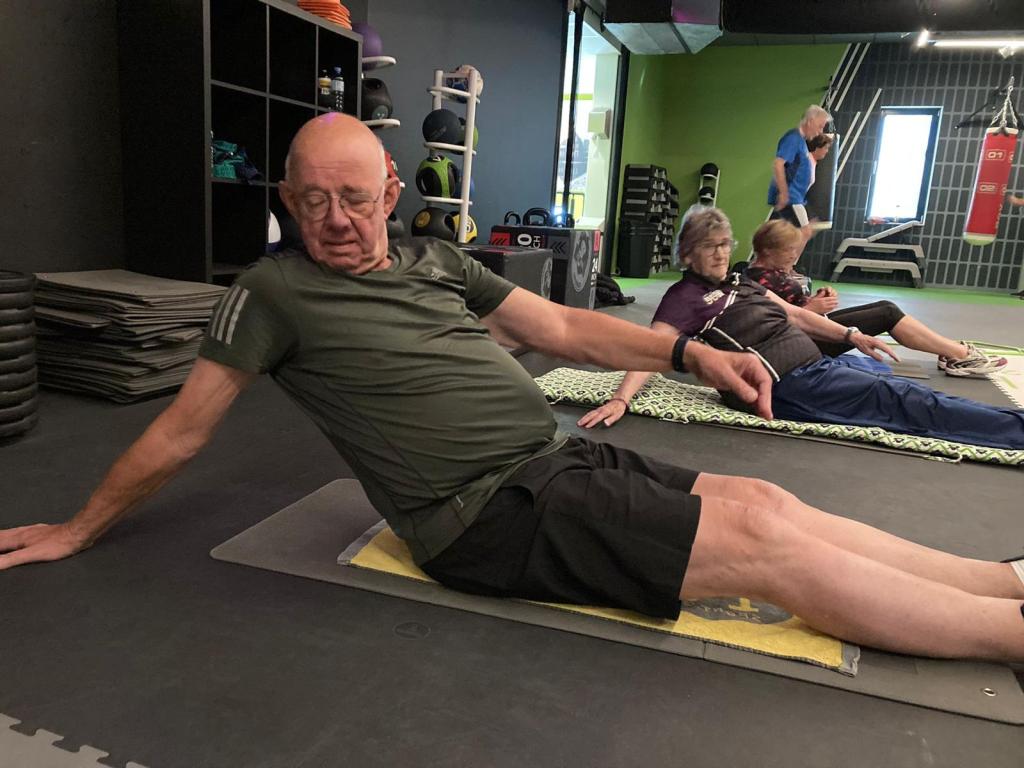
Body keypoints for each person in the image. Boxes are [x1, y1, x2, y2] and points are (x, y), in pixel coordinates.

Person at [3, 115, 1024, 663]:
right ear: (285, 200)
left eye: (353, 197)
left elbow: (563, 328)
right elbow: (183, 430)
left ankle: (998, 582)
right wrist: (79, 527)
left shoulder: (433, 261)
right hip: (483, 515)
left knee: (765, 498)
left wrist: (688, 354)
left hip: (552, 460)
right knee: (763, 548)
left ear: (390, 190)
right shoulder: (273, 292)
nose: (336, 221)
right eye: (311, 201)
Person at [580, 207, 1024, 453]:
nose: (719, 254)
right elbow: (651, 349)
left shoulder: (739, 280)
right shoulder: (685, 297)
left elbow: (795, 316)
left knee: (904, 390)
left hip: (814, 367)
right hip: (784, 385)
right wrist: (622, 398)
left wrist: (850, 336)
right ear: (687, 253)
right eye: (708, 247)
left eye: (724, 245)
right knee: (905, 402)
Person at [745, 220, 1007, 375]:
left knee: (885, 308)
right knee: (886, 313)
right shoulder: (759, 280)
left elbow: (794, 305)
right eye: (788, 250)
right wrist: (812, 308)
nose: (794, 255)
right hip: (798, 344)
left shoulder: (772, 273)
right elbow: (776, 322)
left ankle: (952, 351)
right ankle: (959, 355)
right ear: (768, 251)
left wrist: (817, 300)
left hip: (812, 330)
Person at [767, 105, 830, 230]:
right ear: (810, 121)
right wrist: (784, 193)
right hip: (791, 199)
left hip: (795, 199)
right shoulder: (793, 138)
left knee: (790, 236)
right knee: (802, 234)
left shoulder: (801, 141)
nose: (820, 131)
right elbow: (778, 164)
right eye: (820, 126)